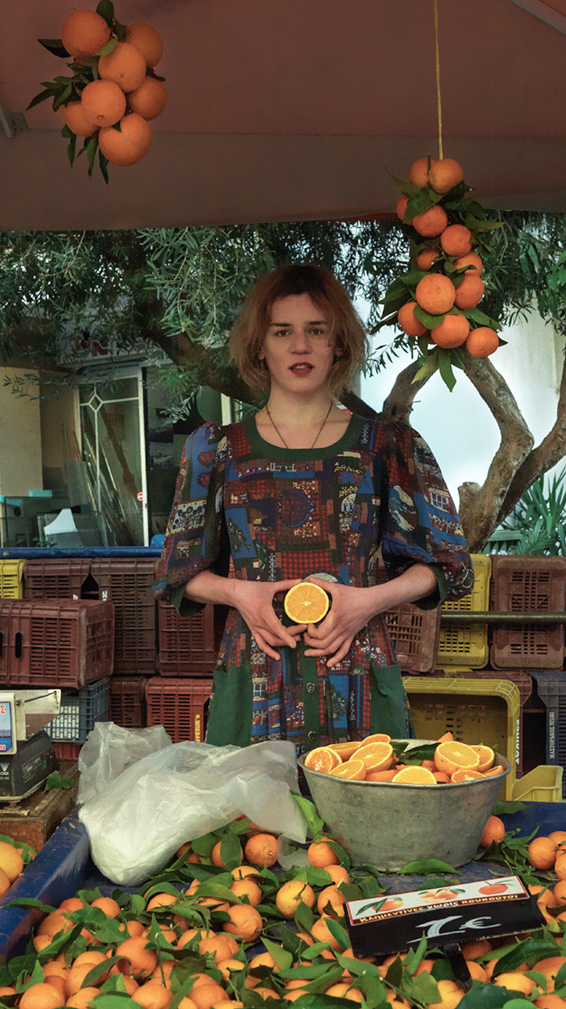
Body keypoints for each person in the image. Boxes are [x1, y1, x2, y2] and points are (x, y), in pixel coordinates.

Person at [154, 263, 474, 751]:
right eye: (283, 332)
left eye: (316, 331)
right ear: (260, 346)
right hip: (255, 679)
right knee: (252, 827)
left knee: (366, 816)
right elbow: (176, 571)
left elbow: (448, 565)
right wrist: (242, 594)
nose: (299, 346)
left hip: (360, 673)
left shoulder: (386, 447)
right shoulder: (215, 449)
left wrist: (369, 601)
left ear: (338, 345)